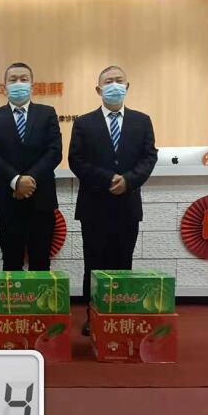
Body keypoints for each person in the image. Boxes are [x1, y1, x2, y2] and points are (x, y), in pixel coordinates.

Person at [68, 65, 158, 335]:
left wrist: (129, 180)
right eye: (108, 82)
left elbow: (149, 157)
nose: (114, 85)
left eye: (119, 80)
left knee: (123, 263)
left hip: (127, 205)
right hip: (94, 206)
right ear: (98, 89)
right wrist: (108, 179)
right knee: (93, 265)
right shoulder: (84, 123)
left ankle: (118, 315)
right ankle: (93, 317)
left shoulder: (142, 121)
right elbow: (76, 160)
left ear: (127, 87)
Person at [0, 62, 62, 271]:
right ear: (5, 86)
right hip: (8, 199)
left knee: (41, 263)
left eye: (24, 79)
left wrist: (29, 180)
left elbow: (54, 151)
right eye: (13, 79)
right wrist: (16, 181)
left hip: (41, 199)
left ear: (32, 85)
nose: (18, 83)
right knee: (11, 262)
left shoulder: (47, 113)